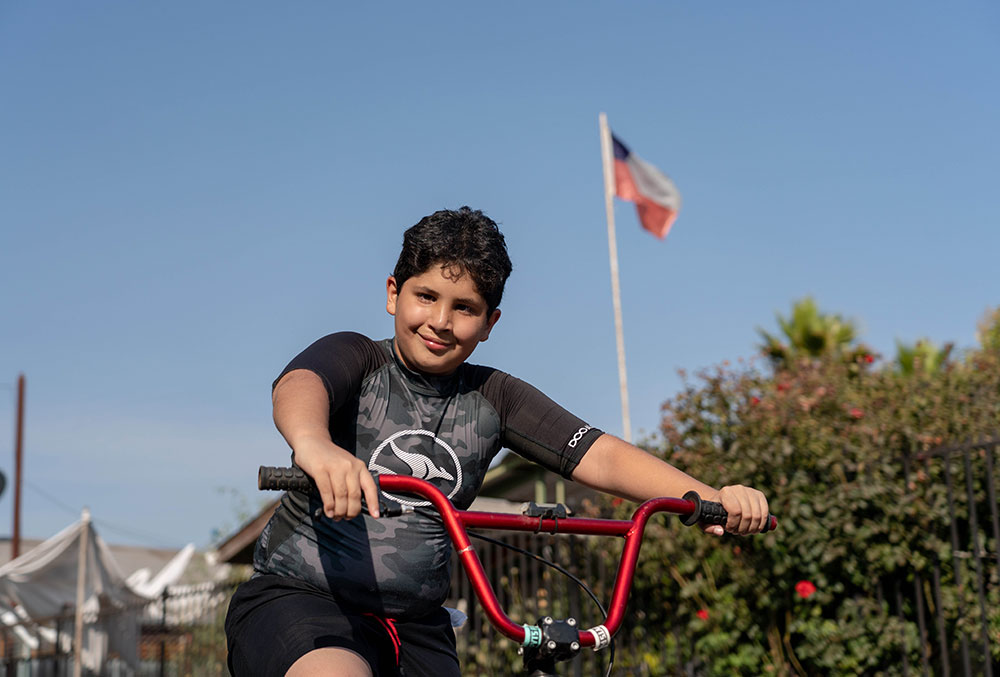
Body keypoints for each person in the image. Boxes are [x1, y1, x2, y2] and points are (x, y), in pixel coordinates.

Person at [224, 207, 769, 677]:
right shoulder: (359, 360)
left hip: (418, 625)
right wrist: (315, 446)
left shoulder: (494, 396)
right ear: (394, 294)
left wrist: (710, 496)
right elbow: (301, 385)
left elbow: (595, 451)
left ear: (490, 323)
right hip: (304, 601)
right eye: (426, 296)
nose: (440, 321)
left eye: (464, 308)